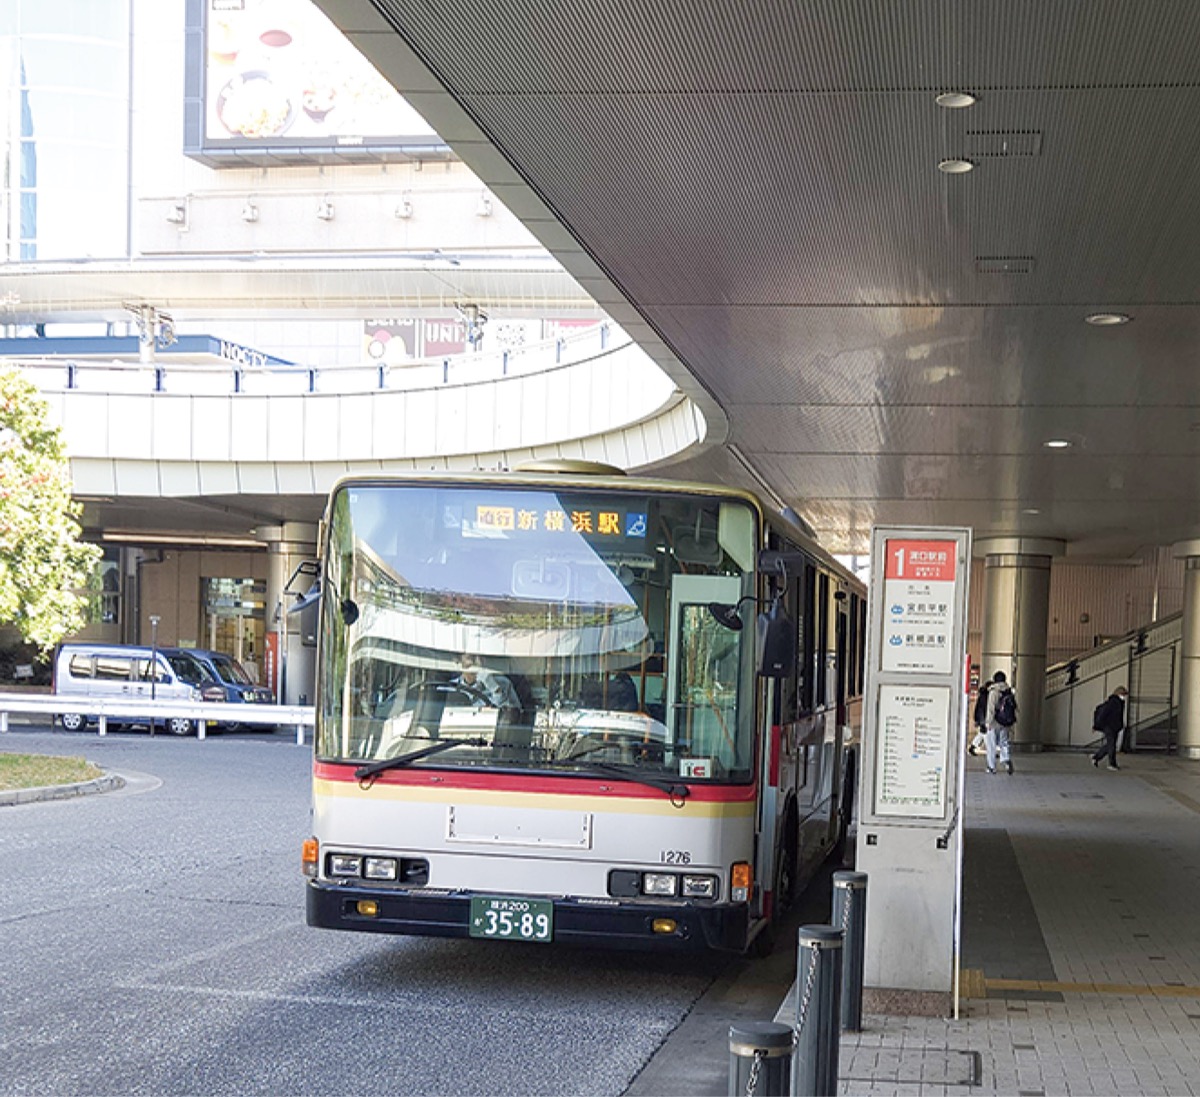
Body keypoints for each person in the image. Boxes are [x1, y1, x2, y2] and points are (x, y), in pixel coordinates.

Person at [453, 655, 521, 720]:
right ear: (458, 661)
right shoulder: (451, 688)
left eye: (481, 658)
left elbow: (514, 717)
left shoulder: (503, 683)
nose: (478, 662)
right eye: (471, 657)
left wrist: (496, 690)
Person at [985, 670, 1016, 775]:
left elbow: (991, 708)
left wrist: (988, 722)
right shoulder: (1008, 691)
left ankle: (991, 767)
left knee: (991, 745)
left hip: (994, 723)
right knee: (1004, 743)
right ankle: (1006, 759)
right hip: (1005, 722)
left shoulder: (994, 691)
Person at [1091, 685, 1128, 771]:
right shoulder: (1113, 702)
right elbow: (1104, 714)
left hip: (1114, 727)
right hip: (1109, 727)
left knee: (1110, 745)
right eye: (1123, 694)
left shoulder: (1119, 702)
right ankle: (1112, 764)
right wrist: (1096, 726)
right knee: (1112, 746)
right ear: (1119, 693)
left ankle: (1096, 757)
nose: (1124, 697)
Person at [968, 680, 989, 756]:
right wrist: (982, 721)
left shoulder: (983, 695)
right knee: (986, 734)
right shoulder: (985, 696)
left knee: (982, 734)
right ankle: (990, 751)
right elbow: (983, 709)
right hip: (983, 718)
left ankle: (972, 747)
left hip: (982, 718)